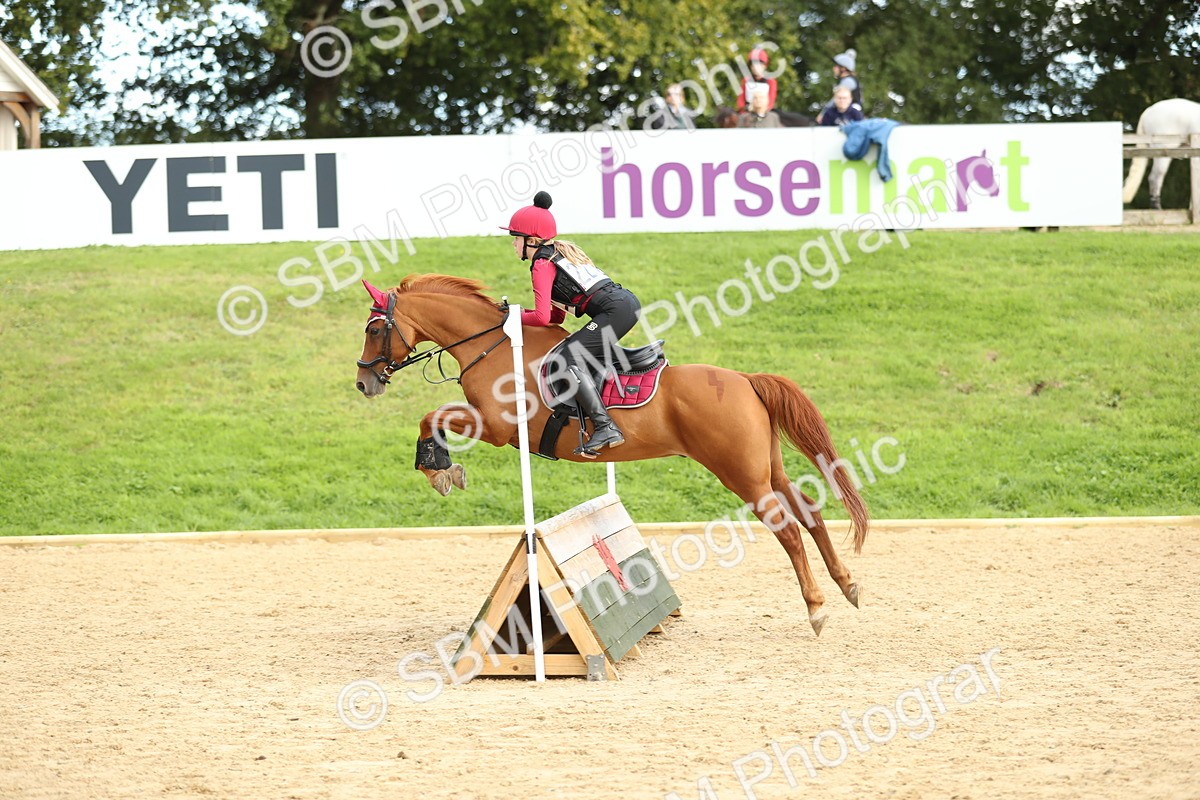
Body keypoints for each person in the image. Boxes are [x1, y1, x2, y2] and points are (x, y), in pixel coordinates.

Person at [503, 192, 642, 457]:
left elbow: (542, 318)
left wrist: (511, 315)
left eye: (515, 239)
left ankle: (605, 426)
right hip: (624, 305)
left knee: (566, 358)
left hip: (616, 310)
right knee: (577, 352)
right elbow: (556, 317)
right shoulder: (554, 255)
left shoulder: (542, 264)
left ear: (530, 241)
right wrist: (522, 313)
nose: (513, 246)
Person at [736, 47, 777, 112]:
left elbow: (771, 101)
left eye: (758, 65)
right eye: (753, 65)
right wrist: (745, 109)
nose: (755, 68)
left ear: (764, 66)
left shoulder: (770, 81)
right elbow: (740, 101)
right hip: (747, 112)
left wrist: (763, 110)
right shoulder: (746, 80)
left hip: (764, 112)